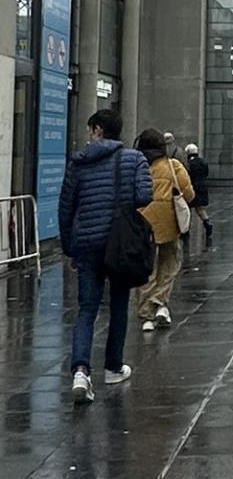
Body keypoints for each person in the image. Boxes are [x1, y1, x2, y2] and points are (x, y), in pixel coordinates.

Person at [58, 108, 152, 404]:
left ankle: (81, 372)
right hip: (119, 243)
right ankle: (113, 366)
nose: (88, 134)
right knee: (119, 305)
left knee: (87, 309)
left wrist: (69, 247)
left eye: (90, 129)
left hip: (87, 243)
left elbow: (65, 207)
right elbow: (143, 196)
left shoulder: (79, 162)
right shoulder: (133, 158)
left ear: (97, 130)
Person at [134, 127, 194, 332]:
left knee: (147, 271)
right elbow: (189, 194)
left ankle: (146, 315)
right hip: (169, 225)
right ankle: (159, 304)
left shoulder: (136, 165)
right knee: (169, 267)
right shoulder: (173, 165)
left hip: (142, 225)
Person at [185, 142, 211, 242]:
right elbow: (206, 173)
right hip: (202, 187)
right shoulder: (203, 162)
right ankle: (207, 222)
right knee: (200, 208)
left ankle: (186, 228)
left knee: (188, 209)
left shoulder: (189, 163)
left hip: (192, 187)